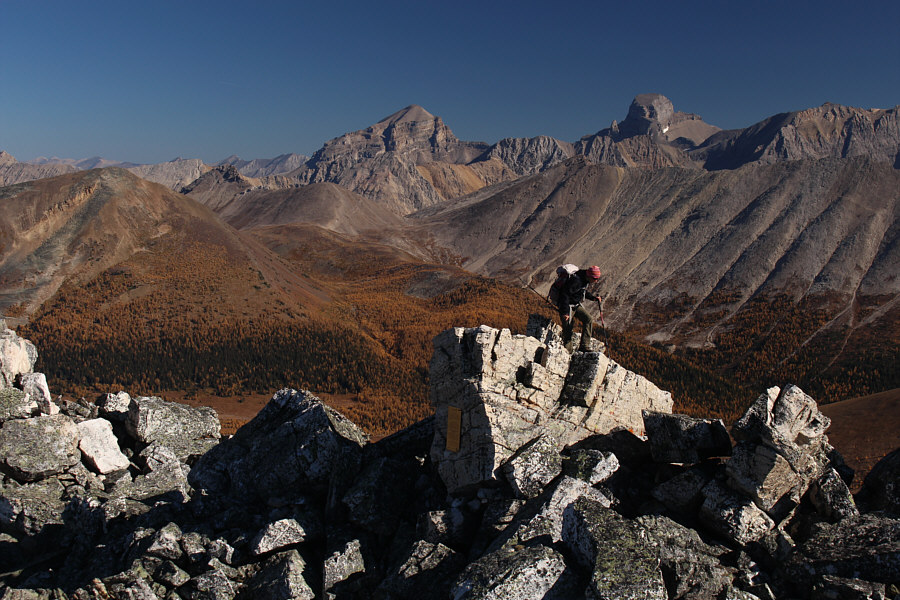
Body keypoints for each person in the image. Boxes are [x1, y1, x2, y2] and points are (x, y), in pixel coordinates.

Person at [557, 265, 602, 352]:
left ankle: (584, 346)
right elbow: (565, 295)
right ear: (590, 276)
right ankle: (567, 352)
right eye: (595, 279)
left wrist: (593, 298)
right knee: (568, 329)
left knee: (588, 319)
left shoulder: (584, 279)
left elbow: (582, 291)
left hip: (575, 305)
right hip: (567, 307)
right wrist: (565, 312)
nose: (596, 281)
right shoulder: (576, 281)